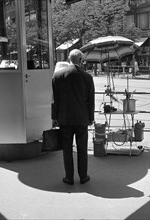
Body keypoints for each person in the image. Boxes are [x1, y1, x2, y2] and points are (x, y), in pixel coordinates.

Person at [52, 49, 95, 185]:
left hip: (64, 118)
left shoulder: (57, 76)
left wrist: (54, 117)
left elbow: (55, 100)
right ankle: (83, 176)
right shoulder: (87, 77)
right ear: (81, 60)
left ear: (69, 59)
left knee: (67, 149)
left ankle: (69, 177)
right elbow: (91, 100)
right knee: (82, 149)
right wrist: (91, 117)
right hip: (82, 118)